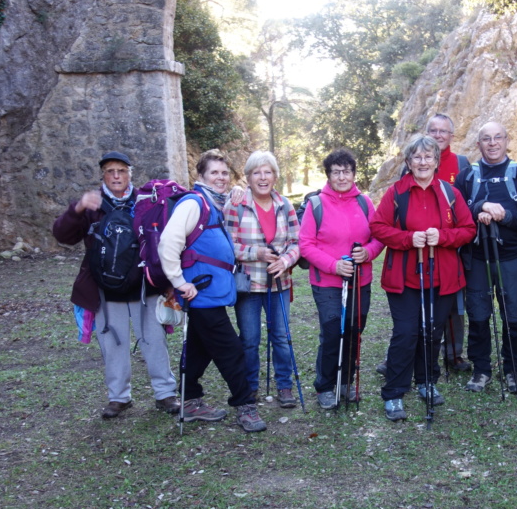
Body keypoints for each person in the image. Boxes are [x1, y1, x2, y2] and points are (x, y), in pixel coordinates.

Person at [52, 151, 179, 418]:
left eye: (121, 170)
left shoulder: (146, 201)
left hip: (145, 287)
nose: (116, 176)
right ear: (103, 176)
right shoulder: (92, 205)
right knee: (113, 344)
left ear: (131, 173)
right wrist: (77, 208)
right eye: (110, 171)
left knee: (154, 340)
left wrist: (167, 281)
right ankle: (119, 397)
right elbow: (63, 235)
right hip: (105, 289)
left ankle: (165, 394)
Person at [370, 134, 476, 421]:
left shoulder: (450, 193)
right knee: (406, 334)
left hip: (441, 276)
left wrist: (442, 237)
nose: (423, 161)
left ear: (436, 161)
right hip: (404, 277)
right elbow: (377, 226)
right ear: (408, 162)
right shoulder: (397, 192)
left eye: (428, 156)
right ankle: (394, 392)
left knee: (432, 332)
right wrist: (407, 238)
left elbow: (468, 229)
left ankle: (427, 382)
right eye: (416, 157)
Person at [157, 157, 266, 432]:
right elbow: (168, 242)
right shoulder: (194, 203)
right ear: (201, 176)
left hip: (209, 293)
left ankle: (190, 399)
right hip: (200, 293)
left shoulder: (212, 203)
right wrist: (179, 281)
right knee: (231, 351)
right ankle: (245, 405)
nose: (221, 177)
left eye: (225, 173)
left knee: (199, 348)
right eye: (214, 172)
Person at [455, 122, 517, 394]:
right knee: (479, 316)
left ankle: (514, 369)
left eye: (497, 138)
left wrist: (507, 216)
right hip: (477, 260)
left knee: (513, 316)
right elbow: (456, 216)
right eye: (486, 139)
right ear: (478, 144)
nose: (492, 143)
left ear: (507, 141)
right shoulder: (466, 177)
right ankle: (481, 370)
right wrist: (478, 209)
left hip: (512, 259)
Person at [299, 148, 385, 409]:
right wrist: (334, 265)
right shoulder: (316, 204)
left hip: (360, 281)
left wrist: (367, 253)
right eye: (336, 172)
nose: (342, 177)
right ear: (328, 175)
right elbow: (305, 244)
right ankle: (325, 385)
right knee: (332, 330)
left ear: (353, 174)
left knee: (354, 331)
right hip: (327, 282)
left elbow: (379, 236)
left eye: (346, 171)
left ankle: (346, 381)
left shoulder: (364, 202)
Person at [224, 151, 301, 408]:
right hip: (248, 284)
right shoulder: (235, 205)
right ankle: (250, 388)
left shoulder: (285, 205)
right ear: (247, 177)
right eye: (257, 172)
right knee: (249, 339)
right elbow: (227, 246)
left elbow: (296, 242)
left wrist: (286, 261)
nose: (263, 177)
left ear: (275, 176)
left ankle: (285, 385)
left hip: (279, 282)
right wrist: (255, 253)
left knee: (280, 335)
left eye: (268, 172)